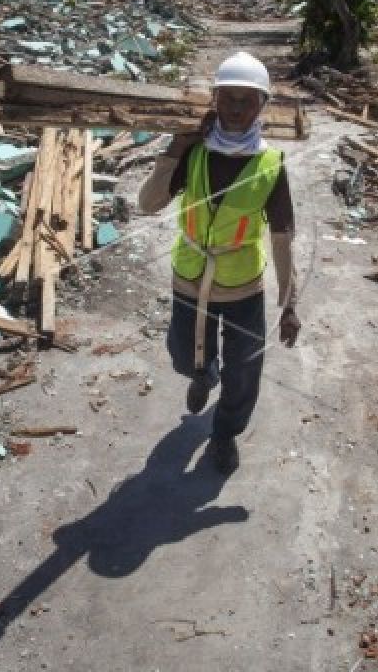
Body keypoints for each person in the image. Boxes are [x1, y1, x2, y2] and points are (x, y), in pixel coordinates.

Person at [137, 51, 301, 474]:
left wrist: (289, 305)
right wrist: (177, 145)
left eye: (247, 100)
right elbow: (148, 205)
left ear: (263, 106)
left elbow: (282, 238)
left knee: (244, 369)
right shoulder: (193, 153)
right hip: (190, 278)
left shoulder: (270, 164)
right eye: (227, 98)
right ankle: (201, 376)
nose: (235, 109)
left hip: (243, 282)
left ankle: (225, 434)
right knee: (183, 353)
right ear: (213, 101)